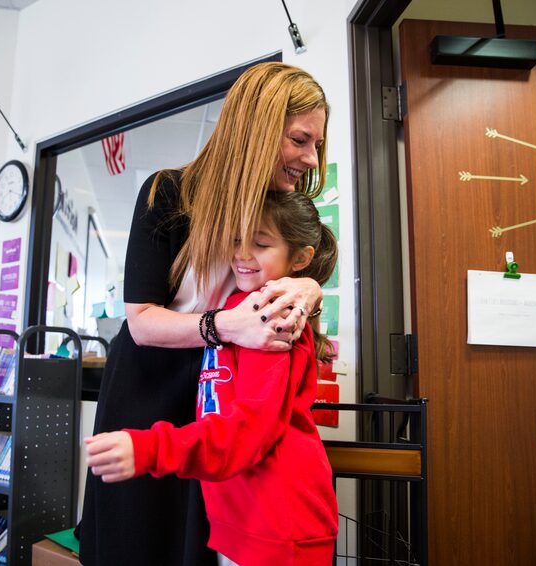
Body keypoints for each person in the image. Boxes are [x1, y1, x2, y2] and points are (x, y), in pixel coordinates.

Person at [78, 62, 330, 565]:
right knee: (139, 537)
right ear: (257, 129)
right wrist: (228, 326)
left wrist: (308, 288)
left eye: (316, 146)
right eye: (301, 140)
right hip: (150, 385)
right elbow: (142, 321)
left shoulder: (278, 206)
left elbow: (307, 267)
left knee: (196, 541)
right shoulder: (167, 193)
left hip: (218, 391)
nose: (310, 157)